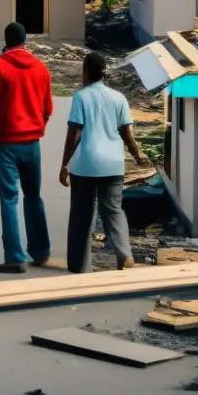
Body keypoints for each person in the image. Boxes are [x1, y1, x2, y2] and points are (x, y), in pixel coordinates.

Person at [60, 51, 148, 274]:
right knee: (114, 210)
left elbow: (75, 134)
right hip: (113, 163)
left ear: (86, 71)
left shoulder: (81, 97)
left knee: (82, 214)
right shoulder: (119, 98)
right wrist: (137, 155)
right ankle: (125, 254)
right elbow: (127, 133)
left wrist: (64, 165)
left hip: (86, 164)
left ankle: (78, 265)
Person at [0, 22, 53, 273]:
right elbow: (48, 109)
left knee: (9, 199)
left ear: (6, 40)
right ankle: (41, 253)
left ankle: (14, 257)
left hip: (6, 143)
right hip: (32, 143)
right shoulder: (41, 68)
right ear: (25, 41)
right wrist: (37, 127)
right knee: (33, 196)